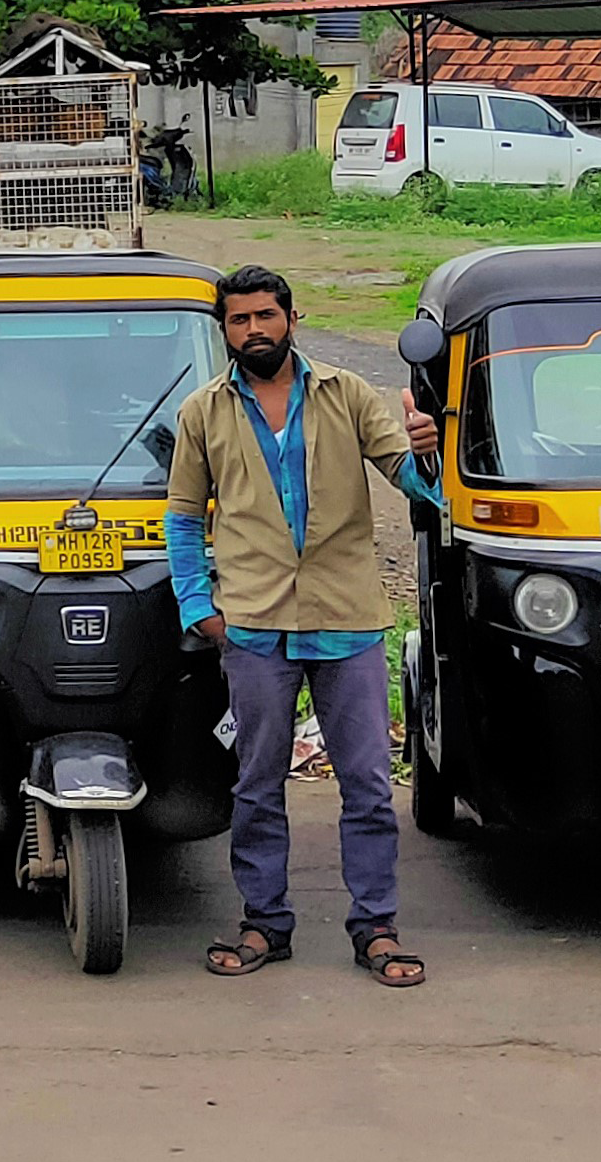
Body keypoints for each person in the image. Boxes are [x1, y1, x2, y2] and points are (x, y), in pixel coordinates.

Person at [169, 265, 440, 989]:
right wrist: (199, 604)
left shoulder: (346, 393)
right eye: (237, 320)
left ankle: (375, 926)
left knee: (367, 784)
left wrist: (424, 448)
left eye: (264, 315)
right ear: (222, 329)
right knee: (256, 783)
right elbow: (183, 516)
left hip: (346, 620)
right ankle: (263, 921)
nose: (252, 330)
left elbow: (406, 479)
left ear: (291, 316)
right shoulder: (203, 412)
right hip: (253, 625)